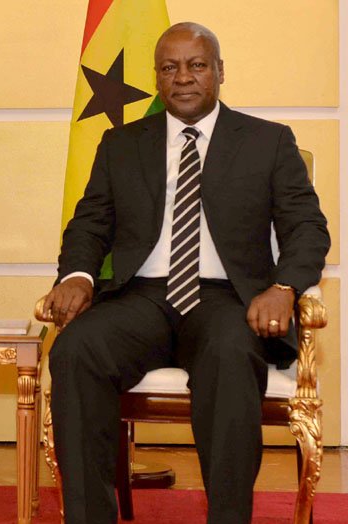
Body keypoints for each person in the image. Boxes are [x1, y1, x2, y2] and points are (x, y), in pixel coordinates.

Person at [43, 22, 329, 524]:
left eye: (197, 65)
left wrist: (284, 287)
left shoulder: (268, 141)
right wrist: (79, 276)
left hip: (227, 299)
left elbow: (306, 227)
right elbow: (90, 224)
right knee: (75, 349)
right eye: (170, 67)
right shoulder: (121, 144)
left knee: (230, 350)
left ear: (219, 72)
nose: (184, 77)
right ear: (157, 78)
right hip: (142, 298)